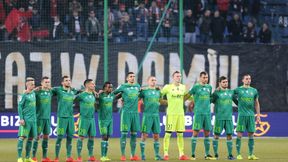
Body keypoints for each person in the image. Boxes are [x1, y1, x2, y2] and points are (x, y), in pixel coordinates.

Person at [161, 71, 190, 161]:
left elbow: (188, 97)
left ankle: (181, 154)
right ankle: (165, 154)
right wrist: (164, 102)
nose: (179, 78)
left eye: (180, 76)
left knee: (180, 134)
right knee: (168, 134)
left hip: (180, 114)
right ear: (173, 77)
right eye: (177, 76)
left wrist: (195, 97)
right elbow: (159, 95)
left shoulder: (183, 87)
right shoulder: (167, 87)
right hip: (171, 114)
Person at [113, 72, 141, 161]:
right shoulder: (123, 86)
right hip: (126, 113)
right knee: (124, 134)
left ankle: (133, 155)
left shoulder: (137, 86)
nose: (132, 78)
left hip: (135, 113)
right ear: (127, 78)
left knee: (134, 135)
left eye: (133, 76)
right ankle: (123, 155)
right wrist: (120, 97)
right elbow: (113, 93)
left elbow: (139, 96)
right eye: (131, 77)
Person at [188, 71, 216, 160]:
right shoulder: (196, 87)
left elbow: (210, 98)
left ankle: (207, 154)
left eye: (206, 77)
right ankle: (192, 155)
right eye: (204, 77)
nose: (205, 79)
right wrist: (192, 102)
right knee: (195, 133)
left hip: (207, 114)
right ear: (200, 78)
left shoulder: (209, 87)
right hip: (198, 113)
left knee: (207, 134)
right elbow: (188, 95)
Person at [234, 74, 260, 160]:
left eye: (249, 79)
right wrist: (238, 104)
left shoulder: (254, 91)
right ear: (243, 80)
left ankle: (251, 154)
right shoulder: (238, 90)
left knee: (251, 135)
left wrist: (258, 115)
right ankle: (238, 154)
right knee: (239, 135)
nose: (248, 80)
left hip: (251, 115)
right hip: (242, 116)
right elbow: (231, 96)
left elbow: (256, 103)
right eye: (246, 79)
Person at [139, 76, 166, 160]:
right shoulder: (144, 92)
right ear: (148, 81)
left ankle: (157, 155)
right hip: (147, 115)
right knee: (144, 135)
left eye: (155, 80)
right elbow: (136, 98)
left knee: (156, 136)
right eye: (152, 80)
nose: (154, 82)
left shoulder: (158, 92)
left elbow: (161, 101)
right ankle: (143, 155)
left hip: (156, 116)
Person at [53, 76, 78, 162]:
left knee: (70, 137)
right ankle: (56, 157)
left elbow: (82, 91)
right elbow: (48, 90)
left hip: (70, 117)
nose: (68, 82)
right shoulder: (58, 90)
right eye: (66, 81)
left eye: (69, 80)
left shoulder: (73, 91)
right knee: (60, 137)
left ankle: (68, 157)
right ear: (62, 83)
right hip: (62, 117)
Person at [211, 76, 236, 160]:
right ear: (220, 83)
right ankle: (216, 155)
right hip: (219, 118)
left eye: (226, 82)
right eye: (224, 82)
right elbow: (211, 100)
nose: (225, 83)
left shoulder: (231, 92)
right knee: (216, 136)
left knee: (229, 136)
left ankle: (230, 155)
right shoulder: (216, 93)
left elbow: (237, 102)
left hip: (228, 118)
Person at [75, 79, 97, 162]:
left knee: (92, 137)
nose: (94, 85)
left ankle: (91, 157)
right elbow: (72, 100)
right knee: (81, 137)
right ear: (87, 85)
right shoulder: (82, 95)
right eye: (92, 84)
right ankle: (79, 157)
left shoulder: (93, 94)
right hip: (84, 119)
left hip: (92, 119)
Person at [31, 77, 53, 162]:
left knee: (46, 136)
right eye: (46, 82)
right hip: (39, 118)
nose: (47, 83)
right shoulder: (37, 92)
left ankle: (44, 157)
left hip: (47, 118)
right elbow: (28, 94)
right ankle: (33, 157)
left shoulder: (50, 92)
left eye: (48, 82)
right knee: (37, 137)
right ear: (42, 83)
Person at [97, 81, 119, 161]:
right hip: (103, 120)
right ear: (105, 88)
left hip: (110, 119)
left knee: (107, 138)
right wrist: (98, 94)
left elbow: (118, 96)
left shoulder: (111, 95)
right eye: (109, 87)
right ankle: (102, 156)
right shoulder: (100, 95)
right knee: (104, 136)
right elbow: (95, 101)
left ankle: (105, 156)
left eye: (111, 87)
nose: (111, 88)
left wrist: (124, 91)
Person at [17, 77, 37, 162]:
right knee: (22, 137)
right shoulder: (24, 94)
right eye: (31, 84)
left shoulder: (33, 93)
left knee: (31, 138)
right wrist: (21, 119)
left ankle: (27, 158)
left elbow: (36, 89)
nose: (33, 85)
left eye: (34, 84)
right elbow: (20, 106)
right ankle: (19, 158)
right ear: (27, 85)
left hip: (33, 120)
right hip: (26, 120)